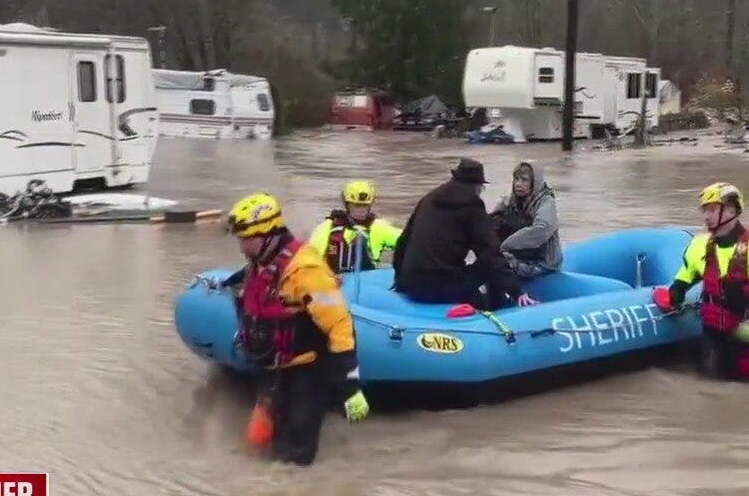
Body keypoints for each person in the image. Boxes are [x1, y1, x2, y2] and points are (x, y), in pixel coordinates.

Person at [215, 192, 371, 465]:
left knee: (295, 456)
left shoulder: (307, 271)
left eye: (245, 239)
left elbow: (339, 324)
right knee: (259, 444)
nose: (241, 246)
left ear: (269, 235)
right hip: (275, 366)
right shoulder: (261, 260)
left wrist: (351, 385)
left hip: (308, 369)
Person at [652, 182, 749, 382]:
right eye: (705, 211)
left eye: (712, 210)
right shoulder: (700, 245)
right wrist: (676, 291)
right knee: (712, 393)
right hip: (715, 339)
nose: (706, 217)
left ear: (732, 210)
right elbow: (686, 273)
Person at [392, 158, 536, 310]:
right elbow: (491, 253)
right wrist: (516, 290)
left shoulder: (428, 198)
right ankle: (500, 309)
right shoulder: (473, 206)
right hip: (442, 288)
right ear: (478, 186)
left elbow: (403, 241)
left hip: (412, 284)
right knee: (489, 263)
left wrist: (400, 281)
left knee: (461, 269)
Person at [307, 180, 402, 274]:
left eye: (365, 206)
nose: (361, 210)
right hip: (335, 282)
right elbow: (310, 257)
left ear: (370, 206)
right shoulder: (327, 227)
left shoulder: (379, 227)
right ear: (347, 205)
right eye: (356, 205)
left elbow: (408, 241)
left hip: (368, 282)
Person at [489, 161, 562, 278]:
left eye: (524, 180)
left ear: (534, 182)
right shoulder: (509, 201)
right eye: (516, 179)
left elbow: (541, 229)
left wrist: (506, 245)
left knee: (498, 265)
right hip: (519, 255)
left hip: (542, 262)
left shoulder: (546, 202)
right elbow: (489, 221)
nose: (518, 184)